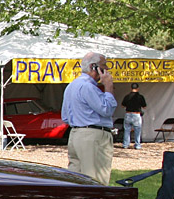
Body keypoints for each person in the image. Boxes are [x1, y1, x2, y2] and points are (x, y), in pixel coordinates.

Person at [61, 52, 117, 185]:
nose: (107, 69)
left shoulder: (72, 86)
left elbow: (65, 116)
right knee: (96, 179)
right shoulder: (89, 87)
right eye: (104, 66)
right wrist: (108, 87)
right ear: (94, 67)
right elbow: (107, 109)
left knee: (76, 179)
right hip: (93, 136)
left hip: (75, 135)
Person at [120, 83, 147, 150]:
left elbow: (122, 105)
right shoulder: (140, 97)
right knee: (137, 130)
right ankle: (137, 145)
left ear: (131, 88)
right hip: (136, 114)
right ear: (138, 88)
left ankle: (126, 145)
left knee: (127, 130)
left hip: (128, 114)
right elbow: (144, 106)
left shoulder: (127, 96)